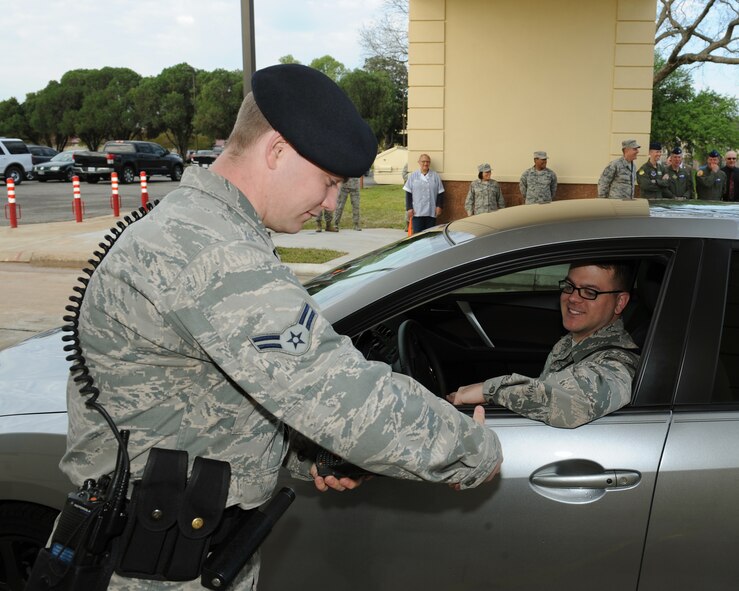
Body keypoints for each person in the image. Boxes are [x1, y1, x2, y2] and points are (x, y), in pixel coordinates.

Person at [59, 64, 502, 590]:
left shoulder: (203, 227)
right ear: (276, 150)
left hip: (179, 539)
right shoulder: (214, 251)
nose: (331, 203)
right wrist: (473, 451)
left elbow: (208, 395)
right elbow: (337, 392)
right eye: (330, 181)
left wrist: (305, 450)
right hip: (154, 563)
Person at [448, 262, 640, 429]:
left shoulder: (618, 363)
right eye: (569, 286)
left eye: (590, 292)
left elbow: (572, 402)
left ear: (620, 302)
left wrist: (489, 390)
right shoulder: (574, 340)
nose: (573, 298)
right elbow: (545, 387)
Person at [403, 153, 445, 232]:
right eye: (423, 161)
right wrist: (409, 208)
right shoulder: (413, 175)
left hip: (431, 211)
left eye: (428, 162)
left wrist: (439, 206)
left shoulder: (435, 176)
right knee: (417, 235)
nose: (425, 164)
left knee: (429, 234)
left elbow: (440, 192)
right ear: (419, 162)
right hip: (417, 211)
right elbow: (408, 192)